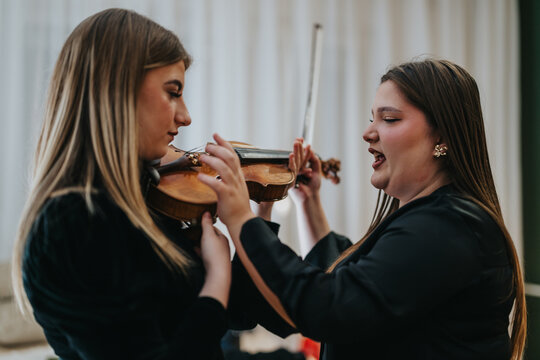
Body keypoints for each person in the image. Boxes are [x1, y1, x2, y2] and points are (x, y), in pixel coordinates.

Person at [197, 58, 527, 360]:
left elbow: (329, 308)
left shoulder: (451, 227)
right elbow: (326, 291)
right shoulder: (435, 222)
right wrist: (291, 205)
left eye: (389, 119)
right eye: (373, 119)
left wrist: (240, 218)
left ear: (441, 136)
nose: (368, 133)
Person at [11, 8, 235, 359]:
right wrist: (218, 276)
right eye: (172, 92)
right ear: (116, 91)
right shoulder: (75, 222)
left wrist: (257, 215)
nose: (186, 116)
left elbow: (229, 314)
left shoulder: (140, 199)